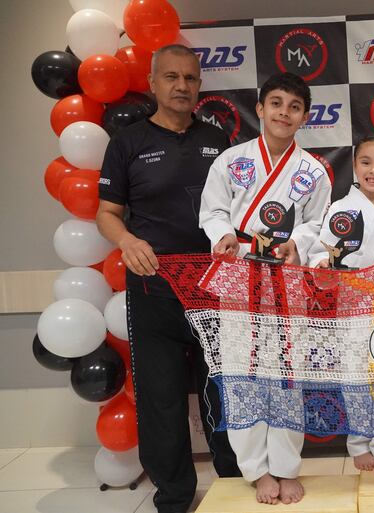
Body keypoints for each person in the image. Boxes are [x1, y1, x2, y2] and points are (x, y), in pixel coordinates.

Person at [96, 44, 241, 513]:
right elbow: (107, 213)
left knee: (220, 390)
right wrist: (127, 242)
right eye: (172, 78)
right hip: (153, 287)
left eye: (191, 78)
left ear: (200, 84)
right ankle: (175, 497)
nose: (182, 86)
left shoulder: (220, 141)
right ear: (154, 82)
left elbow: (241, 211)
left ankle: (233, 484)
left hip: (215, 286)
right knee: (159, 400)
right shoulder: (127, 143)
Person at [199, 72, 332, 505]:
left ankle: (286, 466)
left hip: (286, 279)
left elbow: (317, 222)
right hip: (239, 275)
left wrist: (298, 243)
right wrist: (221, 234)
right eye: (276, 103)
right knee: (242, 373)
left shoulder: (312, 171)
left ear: (304, 117)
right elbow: (213, 210)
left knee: (287, 375)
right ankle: (256, 471)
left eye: (294, 107)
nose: (284, 113)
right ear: (259, 109)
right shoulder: (232, 160)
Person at [308, 136, 374, 478]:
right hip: (352, 301)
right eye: (366, 162)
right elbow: (320, 252)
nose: (373, 170)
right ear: (354, 166)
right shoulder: (340, 208)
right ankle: (359, 443)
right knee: (355, 375)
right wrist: (323, 262)